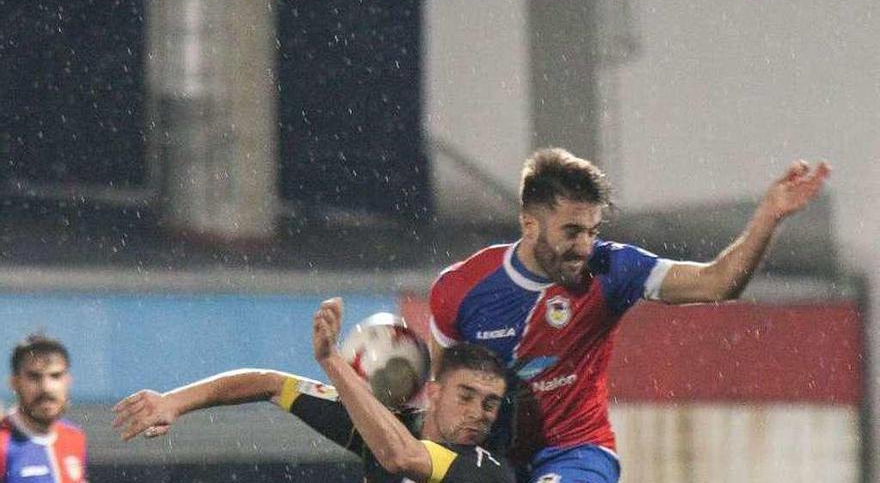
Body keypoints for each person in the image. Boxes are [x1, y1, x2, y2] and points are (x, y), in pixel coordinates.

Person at [428, 147, 831, 483]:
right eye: (572, 231)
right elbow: (440, 390)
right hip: (491, 458)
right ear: (529, 225)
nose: (585, 246)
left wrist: (769, 217)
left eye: (593, 230)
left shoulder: (613, 270)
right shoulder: (461, 289)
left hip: (576, 452)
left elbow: (717, 283)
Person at [113, 298, 515, 483]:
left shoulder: (487, 470)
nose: (479, 412)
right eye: (467, 395)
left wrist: (333, 361)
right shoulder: (382, 427)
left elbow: (399, 457)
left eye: (491, 403)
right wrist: (174, 402)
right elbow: (270, 384)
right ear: (434, 392)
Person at [1, 334, 87, 483]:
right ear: (14, 382)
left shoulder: (75, 437)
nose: (46, 388)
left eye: (55, 376)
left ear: (68, 380)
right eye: (34, 377)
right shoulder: (3, 442)